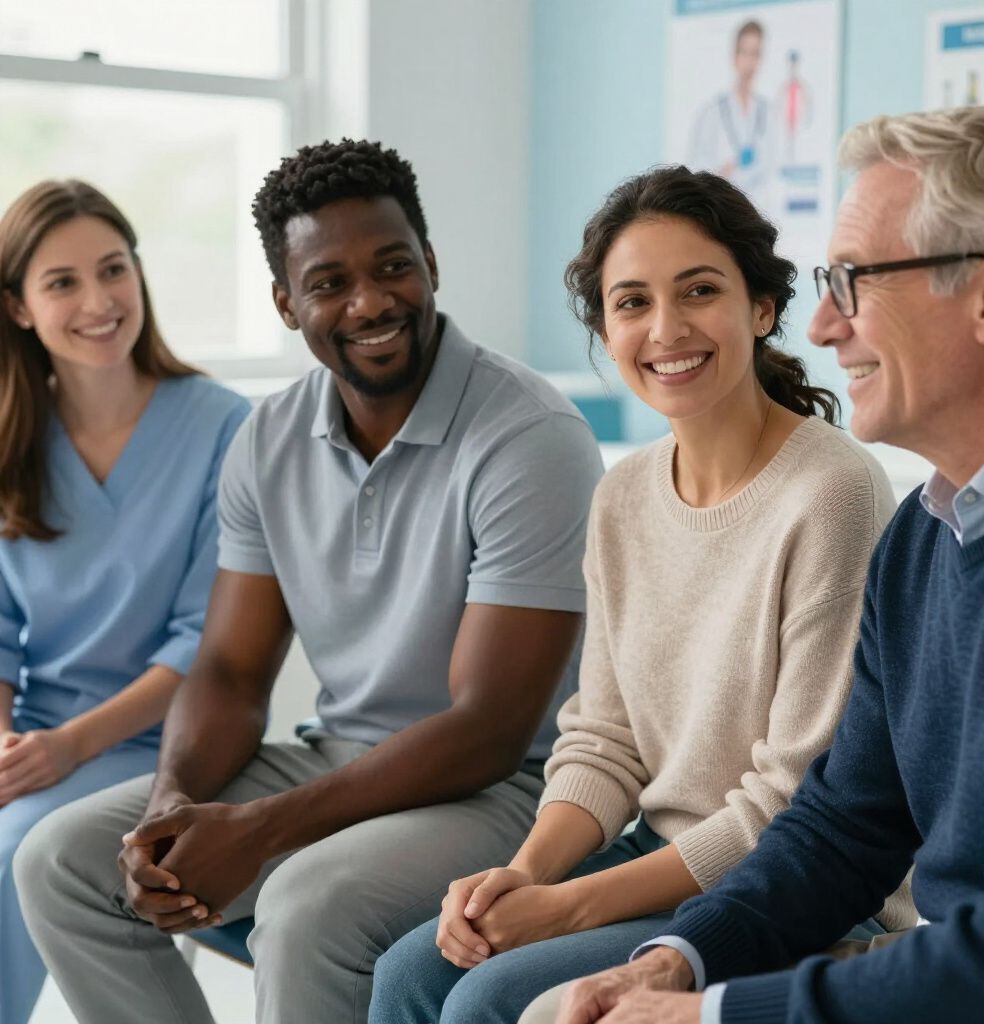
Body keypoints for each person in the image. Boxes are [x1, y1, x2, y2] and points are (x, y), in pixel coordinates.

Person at [14, 139, 603, 1024]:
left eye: (394, 266)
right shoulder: (268, 437)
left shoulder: (529, 436)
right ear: (288, 303)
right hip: (336, 756)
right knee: (59, 860)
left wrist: (260, 831)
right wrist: (175, 810)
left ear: (432, 265)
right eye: (329, 282)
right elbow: (230, 670)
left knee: (304, 903)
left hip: (503, 790)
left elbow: (488, 728)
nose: (370, 301)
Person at [368, 165, 915, 1024]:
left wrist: (572, 906)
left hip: (793, 886)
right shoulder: (622, 495)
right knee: (410, 973)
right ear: (605, 329)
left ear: (761, 309)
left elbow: (795, 802)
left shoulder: (833, 493)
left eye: (699, 290)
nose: (667, 329)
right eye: (631, 303)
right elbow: (605, 735)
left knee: (489, 1000)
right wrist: (529, 873)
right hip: (659, 850)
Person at [539, 104, 984, 1024]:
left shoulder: (852, 498)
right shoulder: (927, 537)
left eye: (857, 281)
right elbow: (846, 824)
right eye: (826, 283)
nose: (829, 326)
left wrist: (714, 1014)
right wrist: (680, 960)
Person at [0, 179, 249, 1024]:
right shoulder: (9, 443)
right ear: (20, 308)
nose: (98, 300)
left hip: (164, 741)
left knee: (12, 847)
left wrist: (67, 746)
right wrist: (7, 743)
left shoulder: (224, 427)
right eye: (62, 282)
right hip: (35, 741)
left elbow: (206, 640)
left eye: (113, 270)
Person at [689, 20, 775, 198]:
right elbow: (696, 168)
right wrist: (722, 172)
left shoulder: (767, 112)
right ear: (734, 57)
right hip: (720, 204)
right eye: (745, 53)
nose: (750, 62)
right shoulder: (712, 112)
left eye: (756, 54)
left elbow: (771, 167)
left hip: (756, 208)